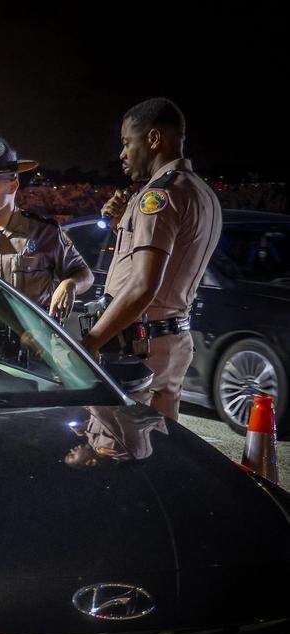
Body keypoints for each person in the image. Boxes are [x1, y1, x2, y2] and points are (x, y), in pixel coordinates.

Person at [82, 99, 223, 420]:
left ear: (154, 139)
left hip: (138, 347)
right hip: (174, 339)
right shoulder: (202, 193)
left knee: (113, 441)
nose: (122, 154)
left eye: (126, 142)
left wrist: (91, 342)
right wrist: (120, 225)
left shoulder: (158, 196)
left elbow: (143, 285)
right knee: (163, 442)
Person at [0, 136, 94, 320]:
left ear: (12, 186)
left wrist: (70, 284)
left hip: (31, 338)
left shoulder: (45, 234)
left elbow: (85, 274)